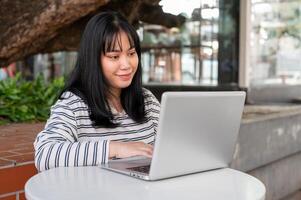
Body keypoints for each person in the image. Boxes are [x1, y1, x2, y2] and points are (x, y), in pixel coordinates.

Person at [34, 11, 160, 172]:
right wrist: (116, 149)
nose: (126, 64)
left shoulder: (146, 100)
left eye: (131, 53)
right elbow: (45, 154)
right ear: (94, 59)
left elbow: (173, 143)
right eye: (114, 56)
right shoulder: (74, 104)